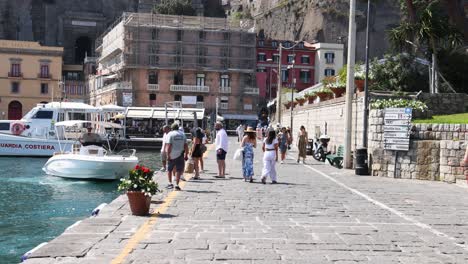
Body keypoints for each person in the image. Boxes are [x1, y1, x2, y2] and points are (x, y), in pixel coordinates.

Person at [166, 123, 189, 191]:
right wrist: (186, 154)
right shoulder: (182, 134)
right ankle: (177, 185)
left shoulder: (170, 134)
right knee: (179, 170)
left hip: (172, 155)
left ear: (172, 128)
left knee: (169, 170)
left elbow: (169, 146)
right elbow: (186, 146)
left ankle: (170, 183)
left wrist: (168, 155)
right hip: (180, 154)